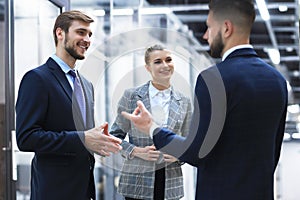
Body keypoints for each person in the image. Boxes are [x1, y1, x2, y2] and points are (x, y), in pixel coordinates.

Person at [121, 1, 288, 200]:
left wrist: (152, 128)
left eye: (209, 27)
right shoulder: (277, 80)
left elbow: (196, 152)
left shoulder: (213, 79)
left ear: (226, 28)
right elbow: (273, 153)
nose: (205, 35)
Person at [15, 10, 122, 200]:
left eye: (89, 34)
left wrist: (98, 143)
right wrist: (82, 139)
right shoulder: (37, 79)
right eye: (81, 32)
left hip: (84, 189)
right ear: (60, 33)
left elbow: (82, 135)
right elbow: (26, 138)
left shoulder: (86, 84)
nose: (87, 39)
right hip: (54, 191)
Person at [110, 44, 192, 200]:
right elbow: (114, 137)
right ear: (148, 67)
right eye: (158, 61)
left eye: (168, 60)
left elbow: (189, 141)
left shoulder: (184, 101)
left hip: (170, 182)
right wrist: (137, 151)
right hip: (137, 182)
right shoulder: (131, 96)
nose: (165, 65)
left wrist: (179, 155)